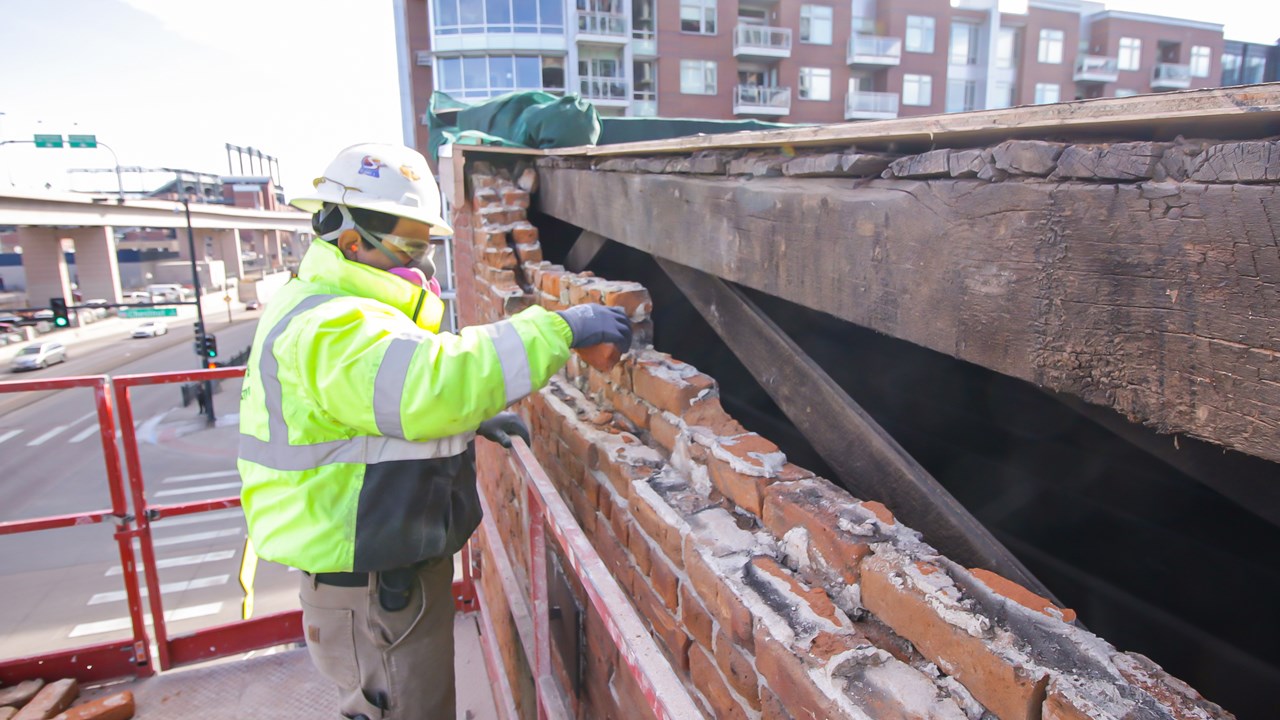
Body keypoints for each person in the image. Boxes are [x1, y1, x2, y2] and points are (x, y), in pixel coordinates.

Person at [237, 143, 631, 719]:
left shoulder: (334, 304)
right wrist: (560, 329)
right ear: (351, 240)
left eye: (426, 241)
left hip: (377, 578)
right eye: (410, 243)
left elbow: (376, 413)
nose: (421, 259)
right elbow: (431, 384)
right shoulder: (331, 324)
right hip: (372, 591)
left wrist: (468, 419)